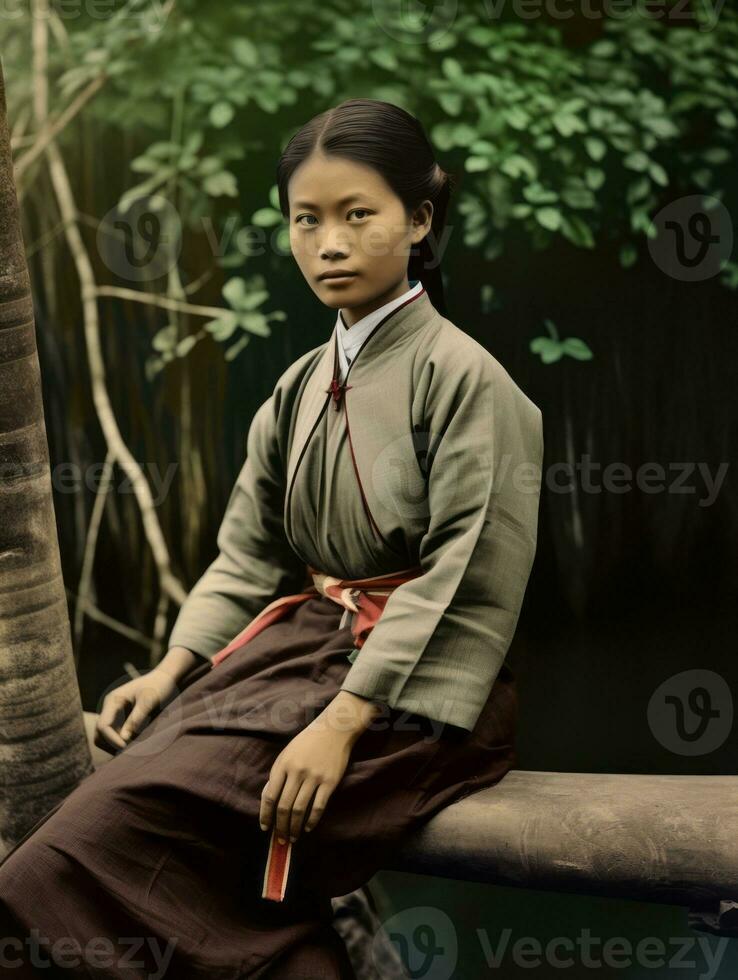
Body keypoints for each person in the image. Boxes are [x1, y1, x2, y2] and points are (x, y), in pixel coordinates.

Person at [0, 98, 544, 978]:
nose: (329, 242)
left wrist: (341, 724)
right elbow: (249, 553)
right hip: (295, 659)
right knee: (88, 824)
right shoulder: (296, 386)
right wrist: (175, 667)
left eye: (357, 215)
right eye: (306, 219)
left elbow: (468, 582)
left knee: (129, 823)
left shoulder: (468, 383)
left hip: (419, 697)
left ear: (419, 218)